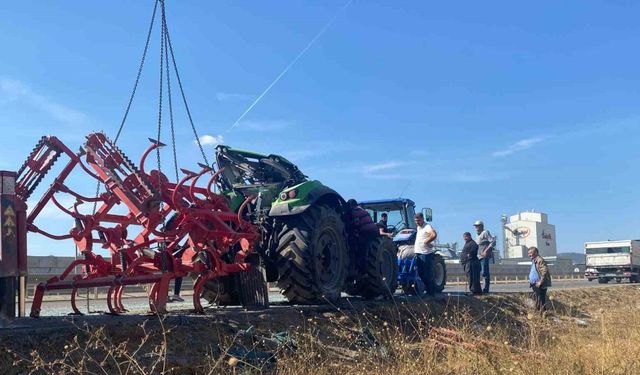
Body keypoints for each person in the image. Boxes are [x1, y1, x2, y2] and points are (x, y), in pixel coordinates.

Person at [414, 212, 438, 296]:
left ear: (422, 219)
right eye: (416, 221)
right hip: (419, 253)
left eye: (419, 220)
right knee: (421, 273)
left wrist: (427, 241)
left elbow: (434, 234)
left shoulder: (427, 226)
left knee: (427, 273)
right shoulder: (418, 227)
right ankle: (427, 290)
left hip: (426, 254)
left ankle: (430, 293)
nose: (417, 222)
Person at [473, 220, 495, 294]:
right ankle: (479, 289)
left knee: (484, 272)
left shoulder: (485, 232)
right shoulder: (477, 235)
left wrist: (486, 251)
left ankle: (485, 289)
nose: (476, 227)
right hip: (478, 256)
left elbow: (493, 242)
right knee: (478, 273)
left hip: (484, 256)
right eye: (475, 226)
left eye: (477, 226)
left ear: (481, 226)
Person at [528, 246, 551, 312]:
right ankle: (540, 312)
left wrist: (540, 281)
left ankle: (542, 313)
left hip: (539, 283)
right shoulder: (534, 260)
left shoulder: (539, 260)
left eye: (530, 253)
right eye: (528, 253)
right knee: (538, 298)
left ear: (535, 252)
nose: (529, 255)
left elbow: (544, 271)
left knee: (540, 299)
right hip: (535, 283)